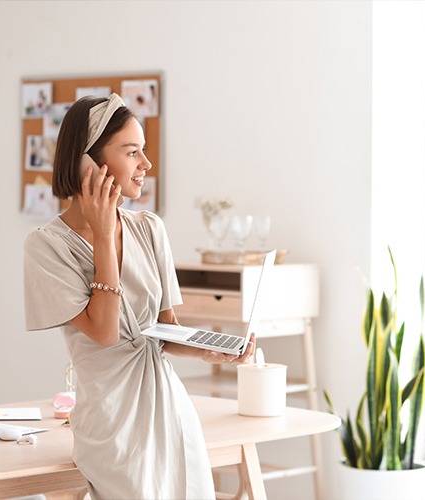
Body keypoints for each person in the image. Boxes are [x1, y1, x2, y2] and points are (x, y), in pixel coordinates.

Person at [23, 93, 255, 499]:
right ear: (88, 164)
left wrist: (207, 350)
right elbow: (105, 332)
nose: (146, 165)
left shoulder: (150, 229)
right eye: (132, 152)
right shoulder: (46, 246)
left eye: (143, 151)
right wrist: (100, 232)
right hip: (111, 427)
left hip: (170, 412)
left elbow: (165, 330)